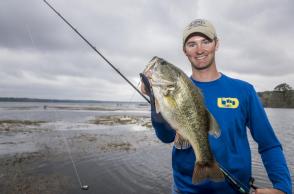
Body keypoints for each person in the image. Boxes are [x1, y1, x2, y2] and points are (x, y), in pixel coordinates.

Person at [140, 19, 292, 194]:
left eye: (206, 41)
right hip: (185, 190)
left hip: (235, 189)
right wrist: (155, 100)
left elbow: (269, 144)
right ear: (185, 51)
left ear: (216, 44)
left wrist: (283, 187)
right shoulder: (173, 90)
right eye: (192, 44)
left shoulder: (244, 91)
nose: (199, 50)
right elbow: (166, 136)